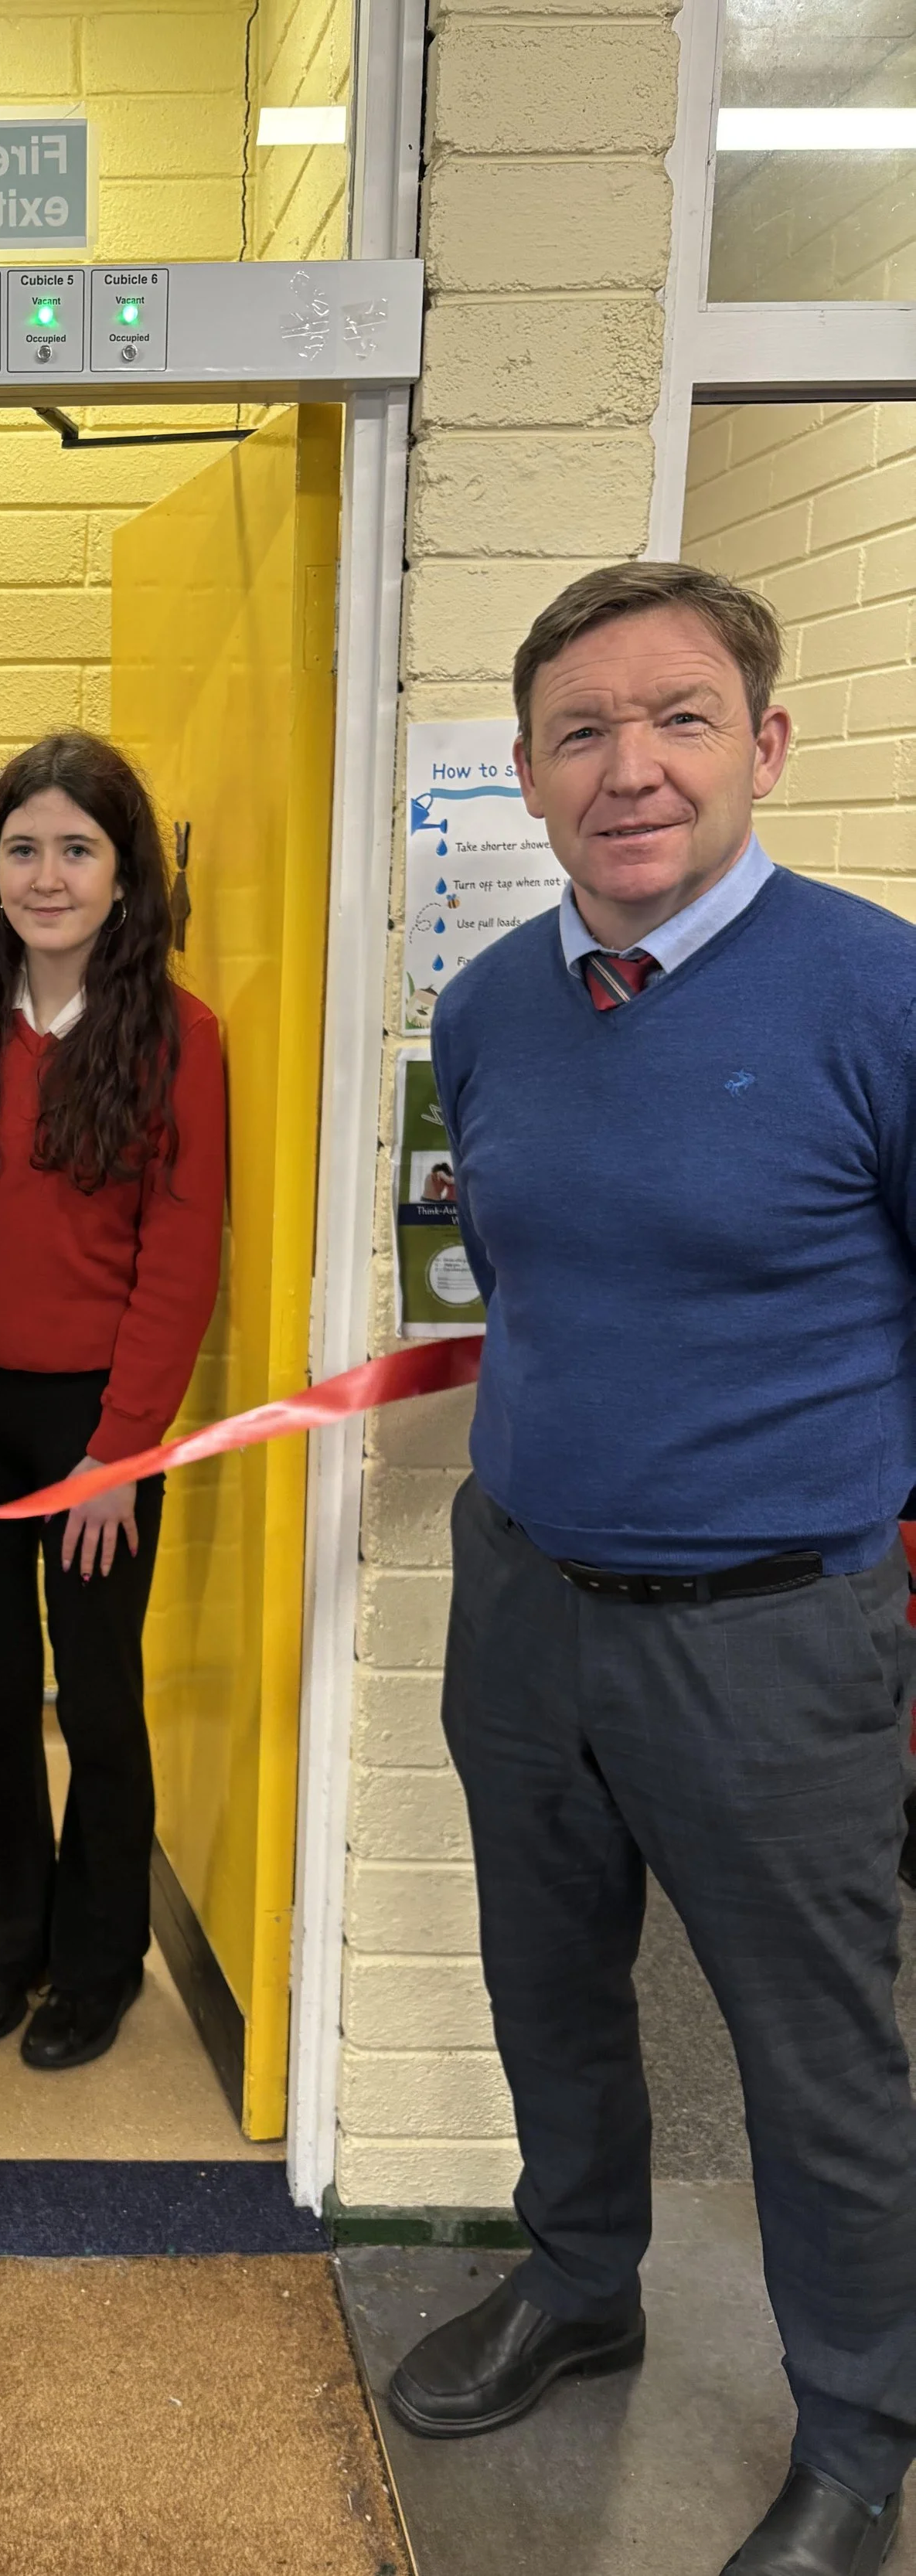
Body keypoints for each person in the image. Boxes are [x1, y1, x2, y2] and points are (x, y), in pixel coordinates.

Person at [389, 562, 916, 2576]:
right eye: (582, 729)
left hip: (770, 1641)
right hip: (521, 1600)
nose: (632, 765)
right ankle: (577, 2276)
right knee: (550, 1987)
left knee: (818, 2060)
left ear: (761, 744)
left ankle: (860, 2434)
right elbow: (521, 1278)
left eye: (678, 715)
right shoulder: (494, 1006)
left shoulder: (872, 993)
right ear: (525, 774)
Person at [0, 733, 224, 2074]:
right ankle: (6, 1939)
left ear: (126, 875)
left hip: (101, 1422)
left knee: (96, 1701)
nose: (46, 873)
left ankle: (99, 1962)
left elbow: (180, 1260)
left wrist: (119, 1453)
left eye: (76, 847)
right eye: (22, 847)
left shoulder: (181, 1038)